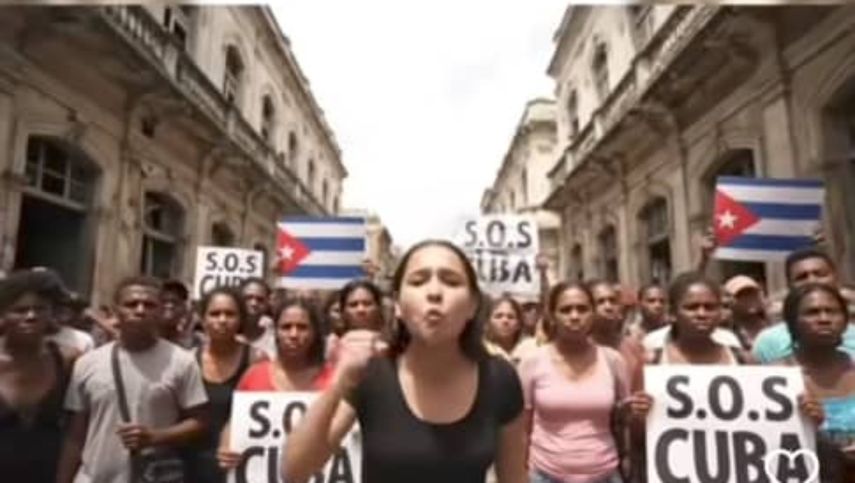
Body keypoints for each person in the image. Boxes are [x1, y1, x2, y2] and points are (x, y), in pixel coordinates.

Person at [284, 240, 527, 483]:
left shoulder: (499, 378)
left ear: (473, 305)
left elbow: (514, 477)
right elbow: (295, 471)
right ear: (398, 303)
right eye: (418, 281)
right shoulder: (370, 373)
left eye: (451, 281)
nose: (434, 292)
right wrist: (340, 380)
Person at [56, 276, 209, 483]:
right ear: (116, 310)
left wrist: (156, 436)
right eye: (131, 304)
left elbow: (198, 422)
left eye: (149, 305)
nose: (140, 310)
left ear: (160, 310)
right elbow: (75, 435)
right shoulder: (87, 364)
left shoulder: (182, 362)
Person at [519, 282, 630, 483]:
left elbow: (624, 421)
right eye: (565, 310)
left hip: (605, 473)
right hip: (544, 475)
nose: (574, 316)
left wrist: (635, 410)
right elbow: (522, 430)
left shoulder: (613, 360)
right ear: (552, 316)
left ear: (593, 313)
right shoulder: (532, 363)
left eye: (582, 309)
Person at [216, 298, 333, 471]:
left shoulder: (335, 379)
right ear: (275, 332)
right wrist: (225, 446)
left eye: (302, 327)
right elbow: (234, 422)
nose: (293, 334)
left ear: (315, 332)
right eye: (286, 327)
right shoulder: (254, 375)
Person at [0, 270, 78, 482]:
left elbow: (77, 432)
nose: (31, 316)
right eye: (20, 310)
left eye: (40, 309)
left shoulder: (67, 360)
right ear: (3, 315)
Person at [775, 283, 855, 480]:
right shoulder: (774, 377)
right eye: (812, 312)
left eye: (832, 312)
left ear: (845, 321)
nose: (824, 319)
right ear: (792, 323)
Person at [185, 286, 260, 483]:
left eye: (230, 314)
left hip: (241, 465)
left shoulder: (256, 359)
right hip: (192, 467)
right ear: (203, 319)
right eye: (215, 314)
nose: (222, 320)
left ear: (240, 319)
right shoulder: (188, 361)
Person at [753, 249, 855, 363]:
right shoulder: (769, 342)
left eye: (820, 274)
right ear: (789, 285)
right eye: (802, 277)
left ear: (836, 278)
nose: (812, 280)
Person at [587, 280, 644, 383]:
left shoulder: (633, 346)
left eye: (613, 301)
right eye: (600, 302)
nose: (608, 307)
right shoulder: (579, 347)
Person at [723, 275, 769, 350]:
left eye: (752, 293)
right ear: (730, 301)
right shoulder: (728, 336)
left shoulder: (775, 324)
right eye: (742, 295)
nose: (749, 299)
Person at [238, 277, 277, 359]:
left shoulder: (275, 339)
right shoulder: (227, 334)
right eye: (248, 298)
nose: (254, 303)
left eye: (260, 299)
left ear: (267, 303)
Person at [483, 295, 525, 363]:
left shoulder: (527, 351)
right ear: (488, 322)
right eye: (498, 316)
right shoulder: (482, 352)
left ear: (519, 324)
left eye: (511, 317)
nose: (505, 321)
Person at [161, 279, 191, 346]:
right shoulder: (147, 341)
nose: (169, 306)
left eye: (175, 302)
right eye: (164, 301)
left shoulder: (191, 345)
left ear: (184, 309)